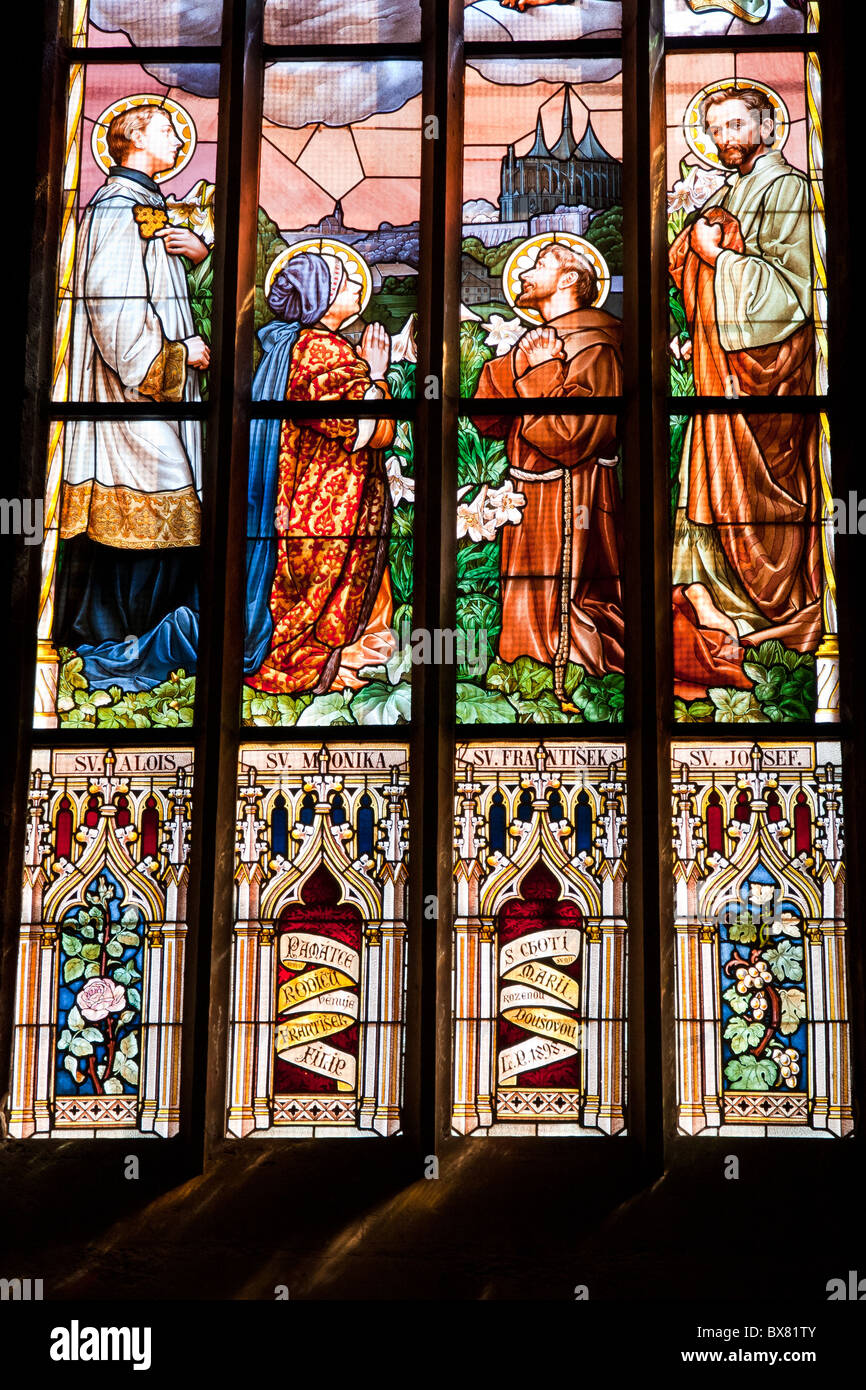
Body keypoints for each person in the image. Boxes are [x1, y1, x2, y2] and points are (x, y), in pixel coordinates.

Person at [668, 85, 820, 697]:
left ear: (766, 125)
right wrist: (694, 249)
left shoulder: (789, 190)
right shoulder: (730, 189)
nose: (725, 139)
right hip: (717, 376)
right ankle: (712, 606)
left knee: (759, 490)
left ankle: (771, 618)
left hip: (767, 373)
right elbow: (689, 258)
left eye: (735, 125)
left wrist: (719, 261)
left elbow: (795, 289)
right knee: (702, 480)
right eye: (715, 129)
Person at [53, 103, 211, 690]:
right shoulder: (119, 208)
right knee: (154, 512)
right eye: (168, 129)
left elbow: (156, 292)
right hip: (126, 400)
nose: (179, 138)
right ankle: (115, 657)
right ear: (135, 138)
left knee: (160, 518)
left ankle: (132, 657)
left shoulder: (145, 207)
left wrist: (199, 257)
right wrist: (174, 358)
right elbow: (112, 307)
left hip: (144, 397)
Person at [473, 242, 623, 705]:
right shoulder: (536, 343)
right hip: (529, 492)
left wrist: (540, 373)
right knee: (526, 604)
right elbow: (486, 414)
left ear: (568, 281)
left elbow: (569, 436)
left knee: (562, 602)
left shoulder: (598, 346)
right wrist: (529, 365)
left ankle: (565, 679)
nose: (522, 270)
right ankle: (526, 674)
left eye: (539, 263)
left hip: (572, 496)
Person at [245, 250, 397, 695]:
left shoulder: (296, 346)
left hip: (312, 491)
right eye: (345, 280)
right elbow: (360, 424)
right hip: (328, 497)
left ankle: (344, 654)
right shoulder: (320, 348)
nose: (358, 285)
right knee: (322, 589)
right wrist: (379, 375)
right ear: (320, 298)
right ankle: (315, 663)